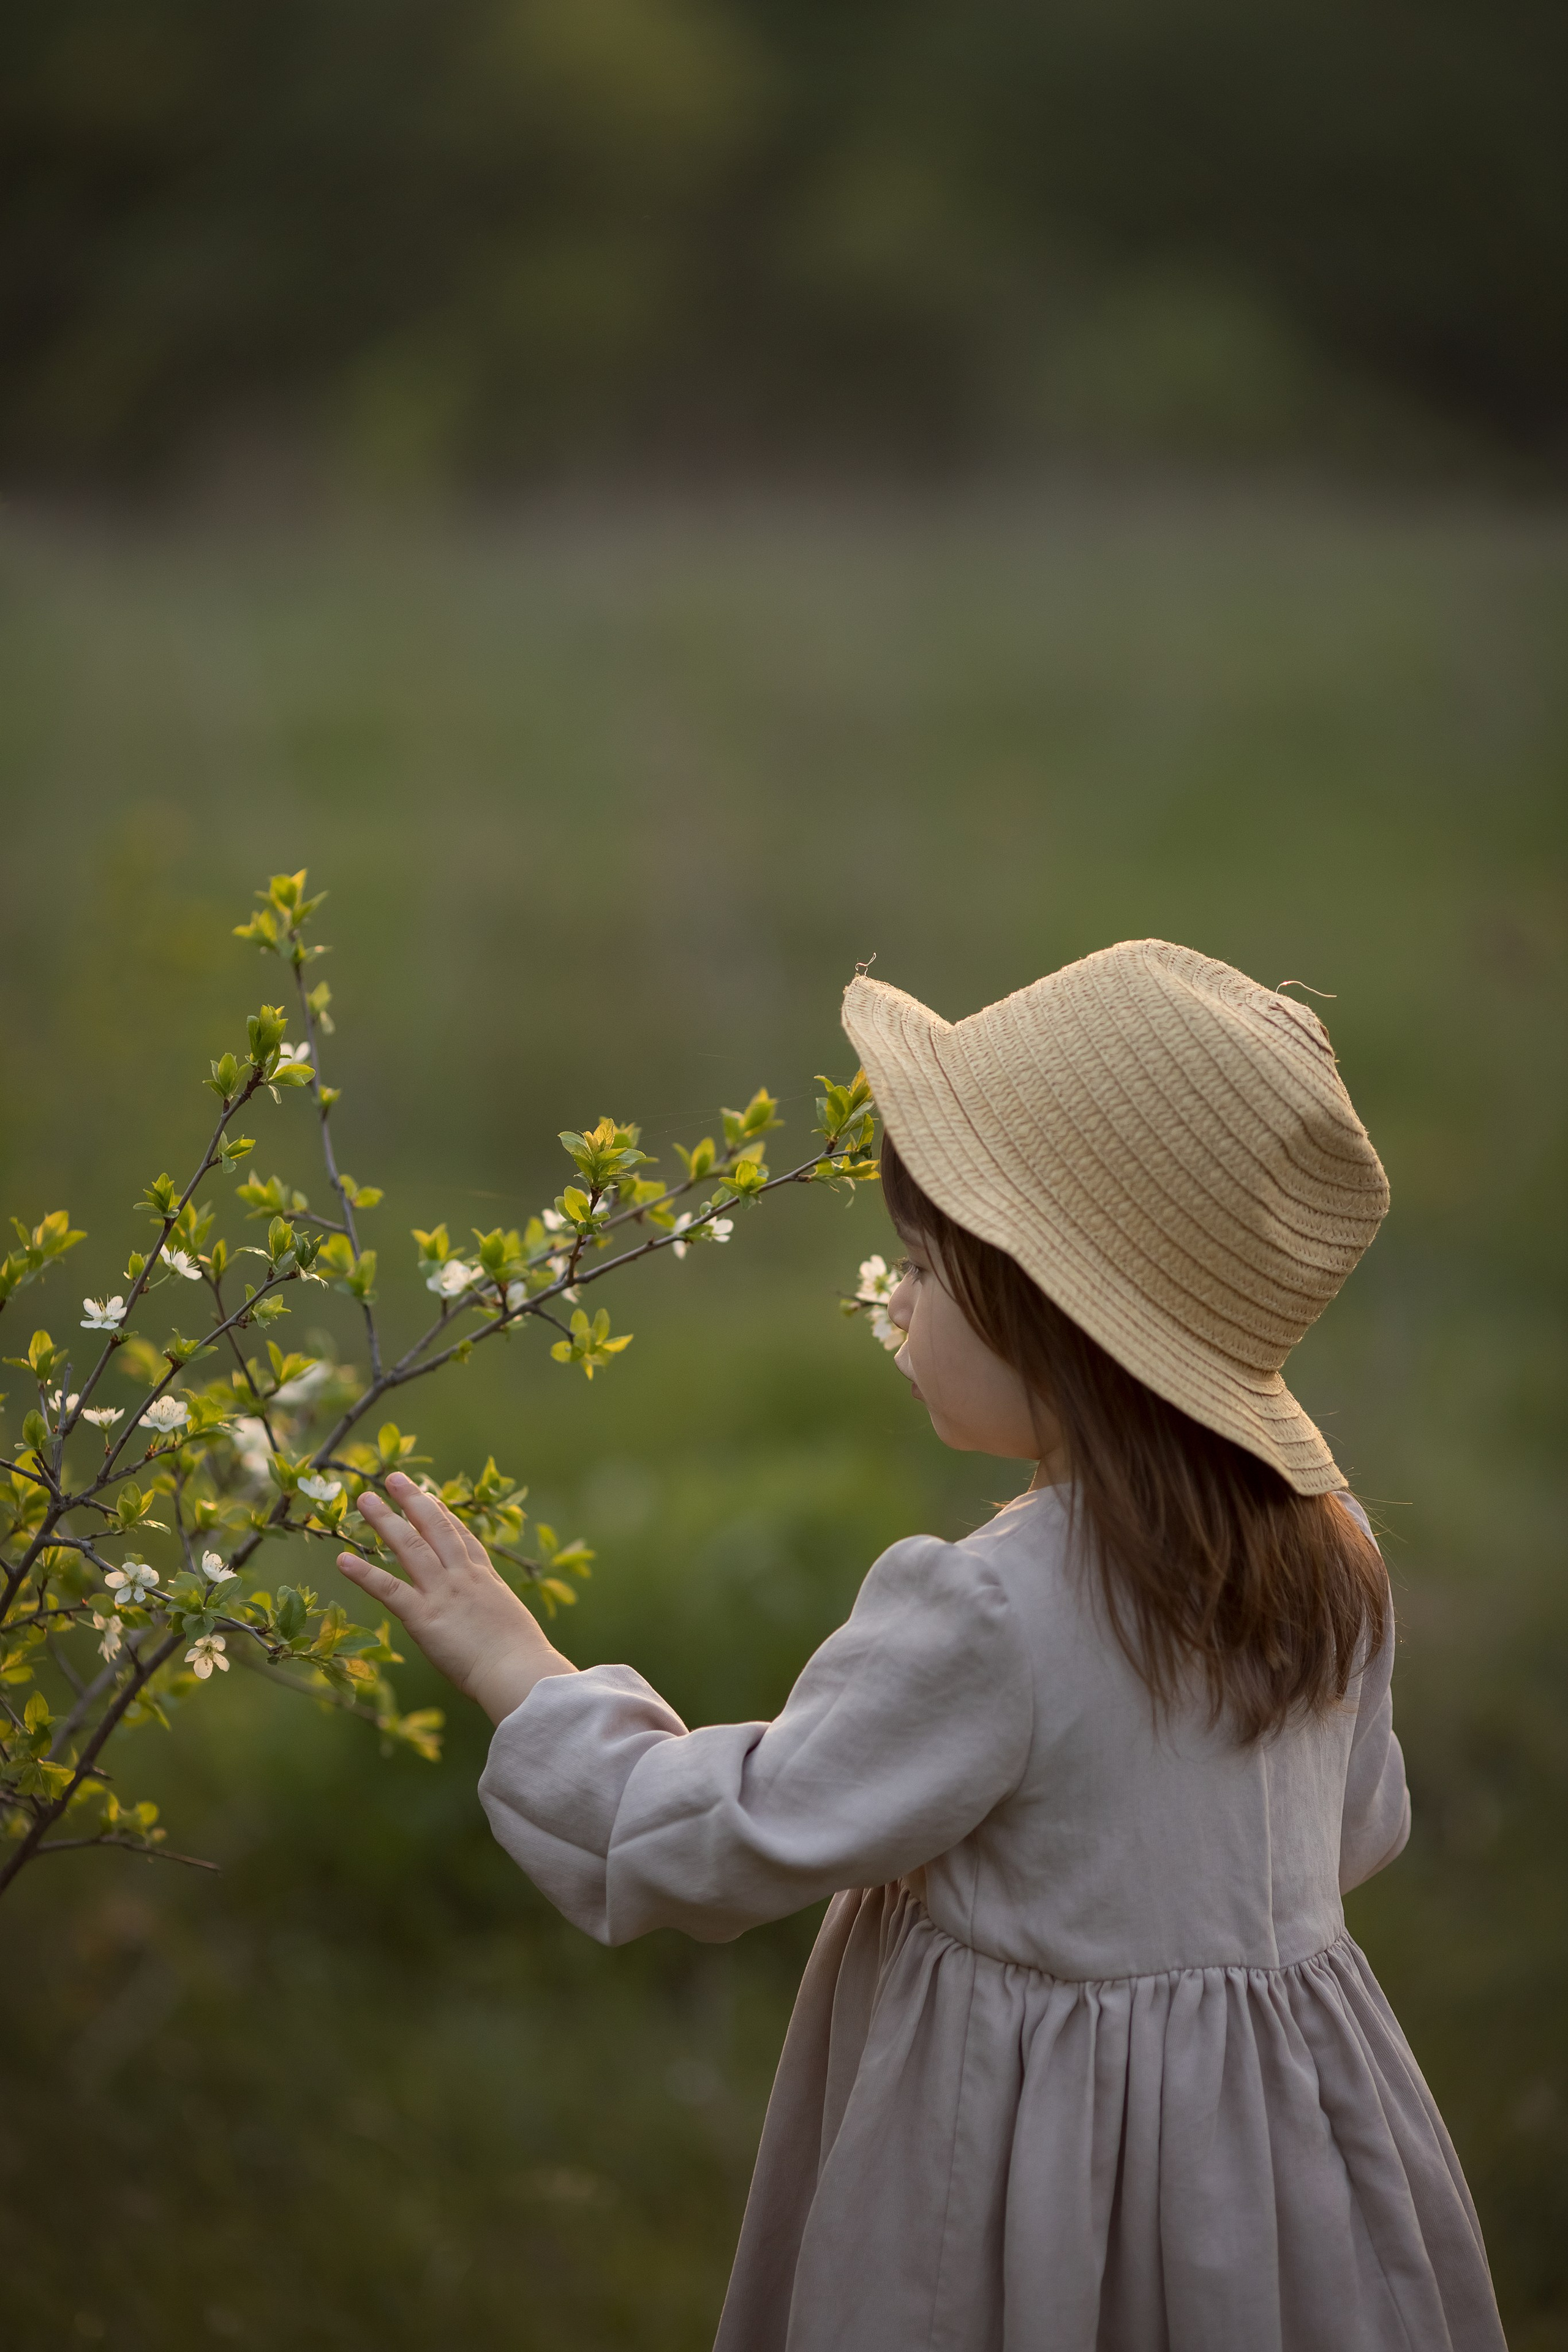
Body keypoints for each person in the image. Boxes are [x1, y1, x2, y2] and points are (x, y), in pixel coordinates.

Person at [339, 940, 1505, 2351]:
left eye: (922, 1265)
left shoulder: (988, 1612)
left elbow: (740, 1834)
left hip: (1029, 2172)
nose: (893, 1298)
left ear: (1055, 1316)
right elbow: (1350, 1830)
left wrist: (514, 1667)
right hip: (1288, 2157)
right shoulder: (1336, 1555)